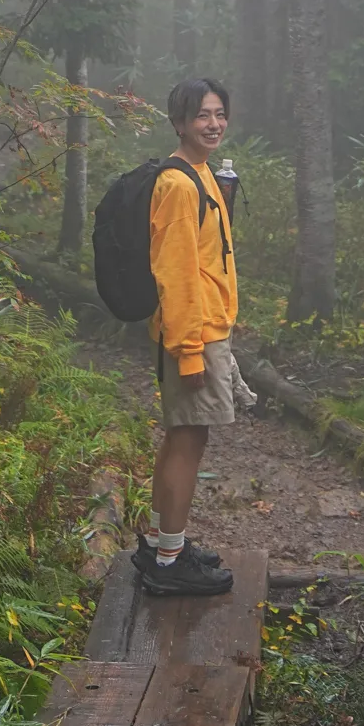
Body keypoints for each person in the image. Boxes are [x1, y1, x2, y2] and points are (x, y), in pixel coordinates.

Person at [132, 76, 256, 598]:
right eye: (201, 115)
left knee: (182, 436)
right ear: (179, 122)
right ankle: (168, 562)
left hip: (205, 327)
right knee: (188, 439)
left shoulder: (201, 174)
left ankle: (167, 544)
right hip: (193, 332)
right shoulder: (179, 185)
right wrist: (188, 352)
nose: (213, 124)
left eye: (219, 114)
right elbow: (176, 274)